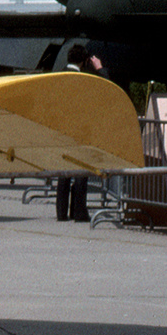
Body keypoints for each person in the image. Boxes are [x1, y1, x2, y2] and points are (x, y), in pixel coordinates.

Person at [56, 44, 104, 222]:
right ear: (84, 61)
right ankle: (78, 211)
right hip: (81, 129)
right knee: (81, 171)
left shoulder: (59, 75)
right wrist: (99, 69)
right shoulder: (85, 77)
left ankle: (61, 212)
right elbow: (106, 89)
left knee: (64, 171)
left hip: (62, 128)